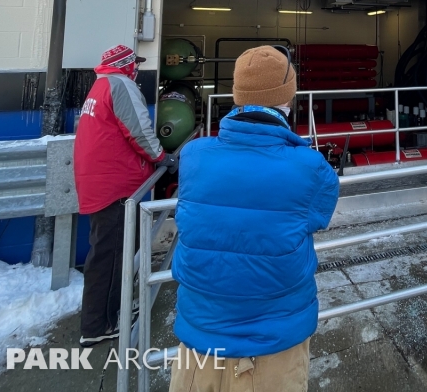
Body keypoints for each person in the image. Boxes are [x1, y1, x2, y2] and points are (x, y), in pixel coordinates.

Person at [171, 45, 339, 392]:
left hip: (199, 341)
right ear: (288, 98)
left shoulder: (193, 155)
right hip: (275, 342)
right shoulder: (310, 168)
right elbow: (319, 216)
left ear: (237, 94)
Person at [73, 44, 167, 347]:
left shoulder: (100, 86)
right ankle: (101, 324)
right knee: (111, 257)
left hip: (100, 181)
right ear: (127, 64)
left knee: (108, 254)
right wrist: (162, 158)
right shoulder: (121, 84)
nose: (137, 68)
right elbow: (139, 130)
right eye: (135, 63)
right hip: (114, 185)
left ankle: (112, 311)